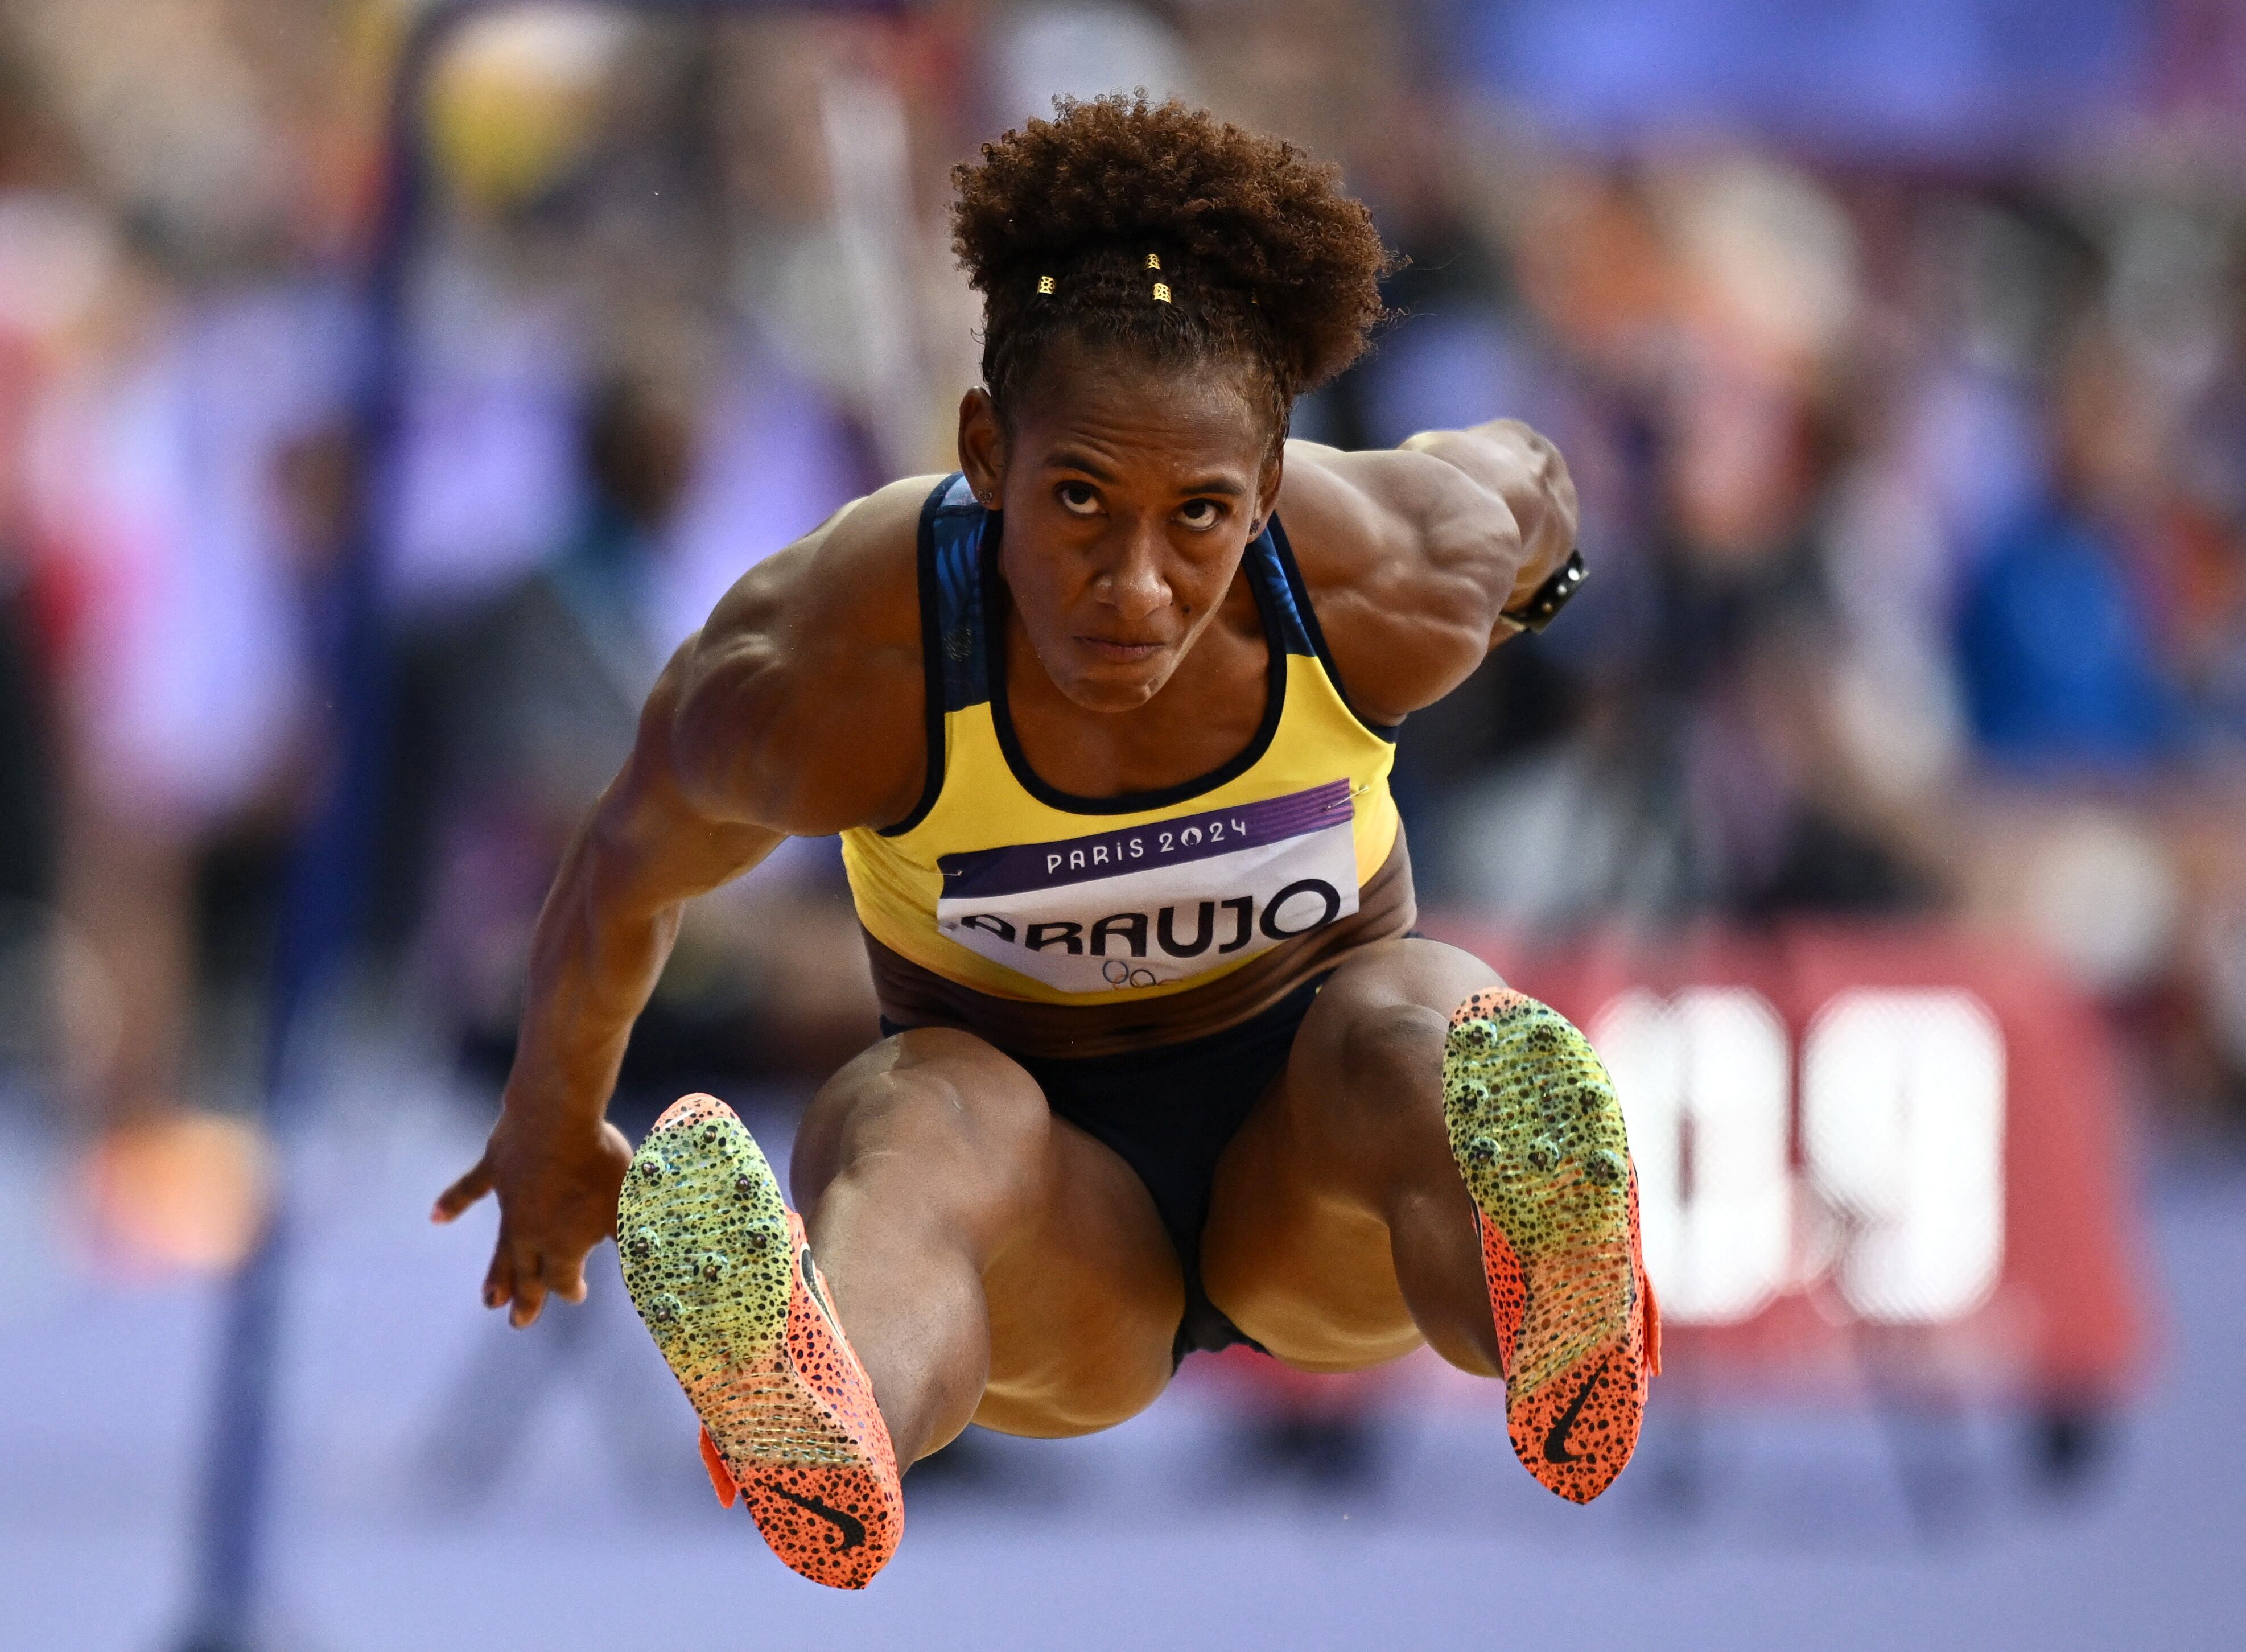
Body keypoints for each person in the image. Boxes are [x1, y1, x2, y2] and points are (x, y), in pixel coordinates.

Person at [432, 96, 1657, 1589]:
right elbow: (629, 862)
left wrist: (1546, 578)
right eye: (1078, 501)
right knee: (912, 1114)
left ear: (1271, 487)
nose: (1133, 587)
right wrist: (554, 1131)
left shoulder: (1389, 569)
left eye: (1200, 518)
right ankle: (817, 1402)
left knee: (1419, 1020)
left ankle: (1557, 1295)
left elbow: (1530, 480)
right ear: (985, 452)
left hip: (1307, 1148)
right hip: (1052, 1195)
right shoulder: (834, 656)